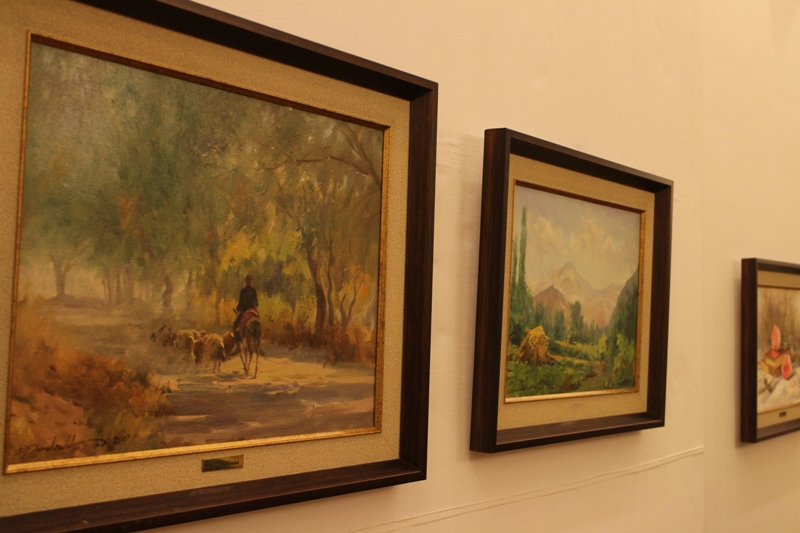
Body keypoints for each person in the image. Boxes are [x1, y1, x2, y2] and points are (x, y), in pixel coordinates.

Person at [233, 275, 258, 341]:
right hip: (253, 309)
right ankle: (257, 338)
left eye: (250, 281)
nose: (250, 282)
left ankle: (237, 340)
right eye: (249, 281)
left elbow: (241, 302)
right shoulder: (253, 290)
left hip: (244, 310)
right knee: (258, 320)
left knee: (235, 324)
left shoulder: (243, 290)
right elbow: (256, 302)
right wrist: (254, 308)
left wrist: (238, 308)